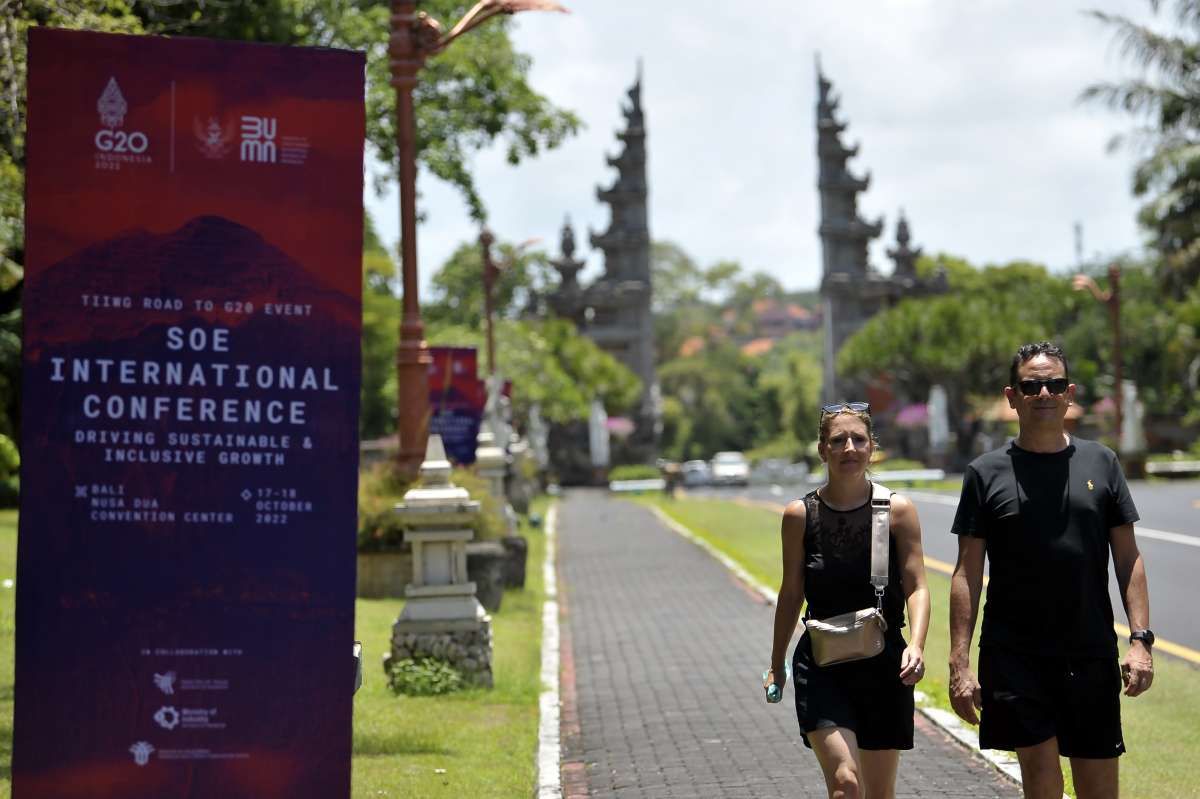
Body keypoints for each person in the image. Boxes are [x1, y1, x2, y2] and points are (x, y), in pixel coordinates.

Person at [949, 341, 1153, 799]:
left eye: (1054, 384)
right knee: (1042, 782)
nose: (1044, 393)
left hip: (1089, 651)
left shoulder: (1102, 462)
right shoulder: (985, 473)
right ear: (1012, 396)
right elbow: (966, 572)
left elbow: (1128, 558)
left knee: (1098, 788)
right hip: (1014, 655)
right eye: (1032, 385)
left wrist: (1140, 640)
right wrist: (960, 662)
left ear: (1069, 393)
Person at [766, 402, 930, 799]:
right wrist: (776, 664)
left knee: (879, 792)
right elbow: (791, 593)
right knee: (845, 781)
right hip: (822, 664)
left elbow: (917, 586)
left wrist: (918, 645)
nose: (849, 448)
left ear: (872, 446)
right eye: (838, 440)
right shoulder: (800, 515)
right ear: (823, 450)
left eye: (858, 439)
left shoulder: (896, 510)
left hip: (884, 662)